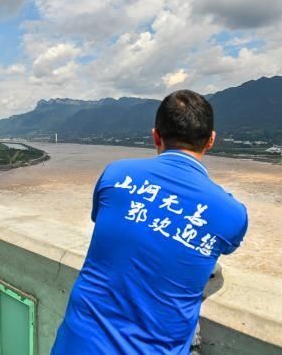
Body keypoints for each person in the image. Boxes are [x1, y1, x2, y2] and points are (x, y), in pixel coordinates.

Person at [51, 90, 249, 355]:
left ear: (155, 135)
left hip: (76, 344)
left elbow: (106, 220)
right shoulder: (232, 213)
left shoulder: (116, 174)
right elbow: (221, 248)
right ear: (211, 140)